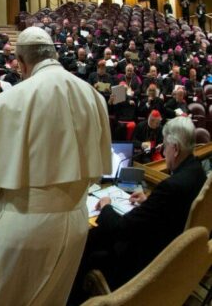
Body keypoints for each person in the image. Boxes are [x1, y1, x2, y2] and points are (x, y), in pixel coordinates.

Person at [0, 26, 112, 305]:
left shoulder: (8, 100)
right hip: (76, 222)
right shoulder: (94, 96)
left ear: (22, 63)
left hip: (25, 226)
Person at [72, 116, 206, 302]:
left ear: (175, 149)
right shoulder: (197, 172)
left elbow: (123, 228)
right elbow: (169, 208)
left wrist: (106, 206)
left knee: (93, 241)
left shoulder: (171, 186)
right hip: (169, 247)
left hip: (143, 260)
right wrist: (148, 201)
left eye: (164, 146)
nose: (163, 151)